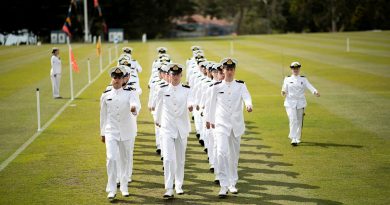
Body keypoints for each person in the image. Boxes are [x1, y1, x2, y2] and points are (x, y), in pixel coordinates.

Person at [208, 57, 252, 198]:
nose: (229, 72)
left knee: (234, 156)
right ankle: (223, 185)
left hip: (236, 125)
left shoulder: (240, 85)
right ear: (223, 70)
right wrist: (209, 119)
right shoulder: (216, 87)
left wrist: (248, 105)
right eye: (227, 69)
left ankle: (232, 183)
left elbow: (246, 97)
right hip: (221, 124)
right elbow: (211, 104)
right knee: (221, 153)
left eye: (232, 69)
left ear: (234, 70)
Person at [100, 66, 141, 200]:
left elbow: (135, 104)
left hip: (126, 131)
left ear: (124, 79)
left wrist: (133, 109)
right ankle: (112, 189)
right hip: (111, 131)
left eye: (119, 78)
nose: (116, 80)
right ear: (112, 78)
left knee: (125, 159)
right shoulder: (106, 94)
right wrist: (102, 133)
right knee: (111, 158)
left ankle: (124, 186)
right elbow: (103, 115)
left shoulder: (130, 92)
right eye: (114, 77)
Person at [155, 63, 193, 198]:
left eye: (177, 75)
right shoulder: (162, 90)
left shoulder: (187, 90)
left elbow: (191, 100)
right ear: (169, 75)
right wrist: (158, 121)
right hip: (167, 128)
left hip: (182, 129)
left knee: (180, 159)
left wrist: (190, 106)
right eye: (173, 74)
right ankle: (169, 188)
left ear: (181, 76)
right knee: (168, 159)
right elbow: (158, 106)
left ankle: (178, 185)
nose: (175, 77)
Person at [281, 61, 320, 146]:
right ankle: (293, 138)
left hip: (300, 102)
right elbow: (284, 88)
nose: (295, 70)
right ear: (291, 69)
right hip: (290, 102)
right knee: (293, 119)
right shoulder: (287, 79)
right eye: (294, 68)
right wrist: (283, 92)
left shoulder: (303, 79)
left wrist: (315, 91)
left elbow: (309, 86)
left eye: (297, 68)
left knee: (299, 121)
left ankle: (297, 138)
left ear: (299, 69)